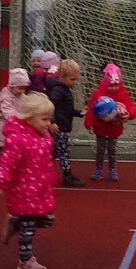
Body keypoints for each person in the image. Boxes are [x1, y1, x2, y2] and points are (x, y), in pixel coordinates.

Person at [0, 88, 57, 269]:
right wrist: (0, 180)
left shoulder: (45, 137)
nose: (48, 124)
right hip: (23, 189)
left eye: (49, 119)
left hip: (41, 187)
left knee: (47, 219)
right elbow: (6, 162)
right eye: (44, 119)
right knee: (29, 226)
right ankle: (25, 260)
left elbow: (46, 161)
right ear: (29, 119)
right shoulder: (17, 140)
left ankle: (15, 223)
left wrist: (50, 176)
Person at [84, 59, 136, 181]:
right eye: (110, 85)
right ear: (105, 82)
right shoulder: (98, 94)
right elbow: (91, 109)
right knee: (100, 149)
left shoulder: (122, 94)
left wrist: (129, 114)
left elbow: (131, 107)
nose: (113, 88)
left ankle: (112, 169)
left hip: (114, 127)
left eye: (115, 85)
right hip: (100, 127)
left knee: (112, 150)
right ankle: (98, 169)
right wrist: (88, 123)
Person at [43, 56, 81, 185]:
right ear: (62, 77)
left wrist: (79, 113)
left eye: (76, 79)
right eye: (72, 79)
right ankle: (66, 175)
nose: (75, 82)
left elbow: (66, 109)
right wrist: (52, 122)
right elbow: (50, 105)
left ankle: (42, 168)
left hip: (63, 125)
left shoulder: (64, 90)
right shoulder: (58, 90)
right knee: (61, 151)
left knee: (57, 151)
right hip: (59, 127)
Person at [0, 64, 30, 147]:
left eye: (24, 88)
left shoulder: (21, 95)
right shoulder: (5, 97)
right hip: (7, 126)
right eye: (20, 88)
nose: (22, 91)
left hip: (19, 125)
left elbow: (27, 104)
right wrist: (22, 117)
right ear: (11, 86)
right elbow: (8, 113)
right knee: (6, 145)